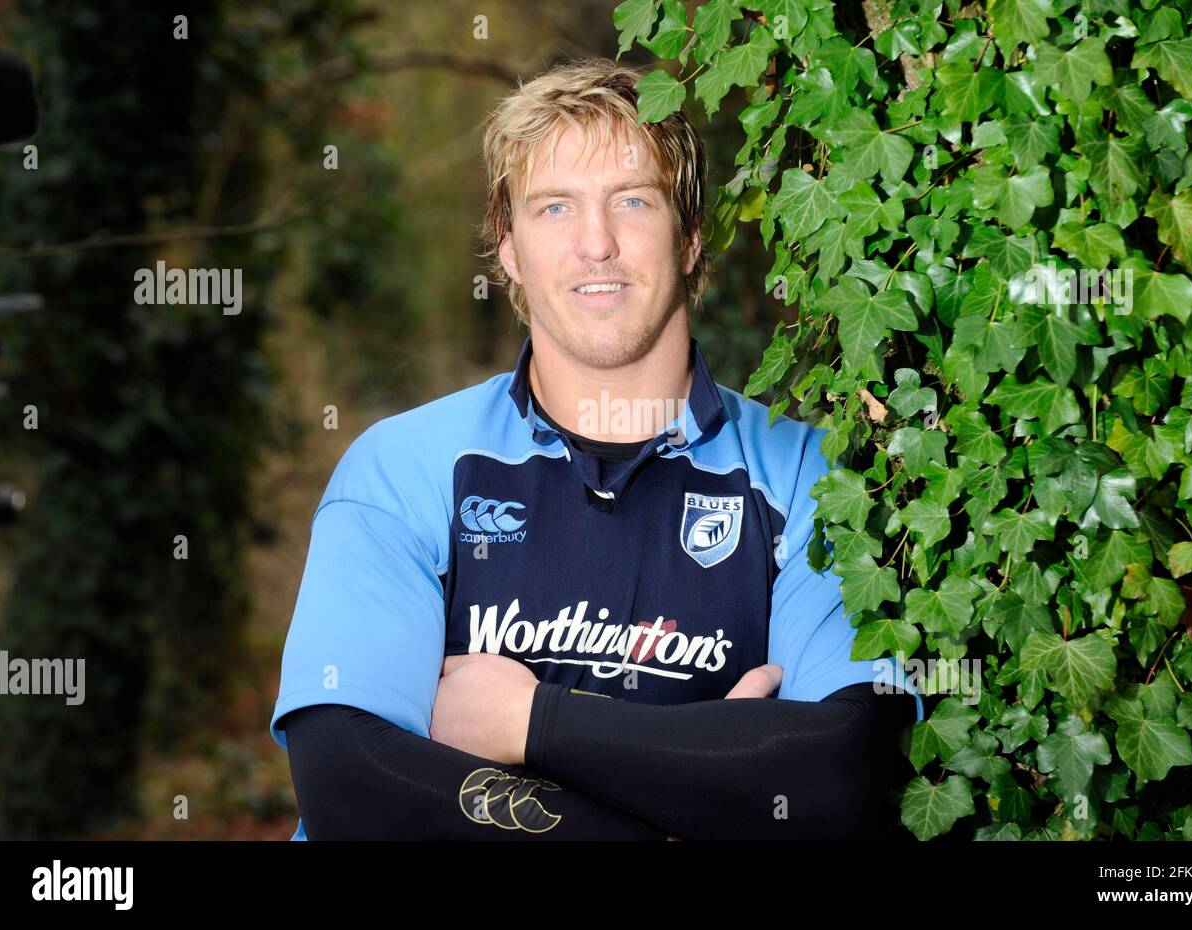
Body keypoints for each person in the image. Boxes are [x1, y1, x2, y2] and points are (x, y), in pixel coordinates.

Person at [269, 58, 924, 841]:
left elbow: (833, 774)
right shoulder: (402, 469)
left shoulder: (811, 478)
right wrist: (704, 784)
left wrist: (529, 723)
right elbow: (353, 788)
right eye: (553, 208)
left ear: (689, 238)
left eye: (633, 201)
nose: (596, 244)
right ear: (507, 248)